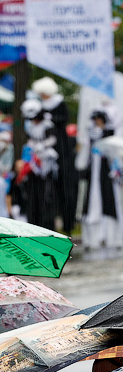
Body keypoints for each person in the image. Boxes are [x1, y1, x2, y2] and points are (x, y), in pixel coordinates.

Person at [33, 76, 77, 233]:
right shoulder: (39, 107)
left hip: (61, 150)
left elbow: (63, 120)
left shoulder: (59, 104)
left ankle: (68, 225)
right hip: (46, 151)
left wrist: (50, 119)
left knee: (66, 190)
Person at [82, 109, 122, 252]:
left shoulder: (110, 133)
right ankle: (94, 237)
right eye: (95, 119)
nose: (97, 122)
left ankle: (112, 237)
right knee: (92, 201)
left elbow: (114, 154)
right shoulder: (91, 134)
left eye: (99, 119)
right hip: (94, 171)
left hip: (106, 171)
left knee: (110, 200)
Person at [23, 98, 59, 230]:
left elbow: (53, 139)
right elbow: (30, 140)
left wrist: (42, 146)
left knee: (46, 196)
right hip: (34, 165)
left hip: (47, 163)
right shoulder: (31, 126)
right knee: (34, 196)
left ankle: (47, 224)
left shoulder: (48, 125)